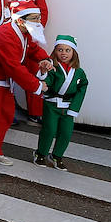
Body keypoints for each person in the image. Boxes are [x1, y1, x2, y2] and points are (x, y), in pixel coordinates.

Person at [0, 1, 51, 173]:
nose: (38, 22)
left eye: (38, 18)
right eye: (35, 18)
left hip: (2, 78)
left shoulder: (23, 31)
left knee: (6, 115)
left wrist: (44, 59)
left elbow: (32, 49)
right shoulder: (5, 34)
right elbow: (14, 67)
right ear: (21, 20)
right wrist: (37, 86)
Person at [35, 35, 87, 168]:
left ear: (73, 53)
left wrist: (74, 108)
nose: (63, 53)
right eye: (60, 50)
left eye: (67, 50)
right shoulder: (53, 67)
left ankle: (57, 156)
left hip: (68, 107)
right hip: (51, 104)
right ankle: (40, 154)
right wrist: (43, 74)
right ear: (55, 51)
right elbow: (46, 80)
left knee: (66, 132)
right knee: (49, 130)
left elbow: (82, 89)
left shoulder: (79, 72)